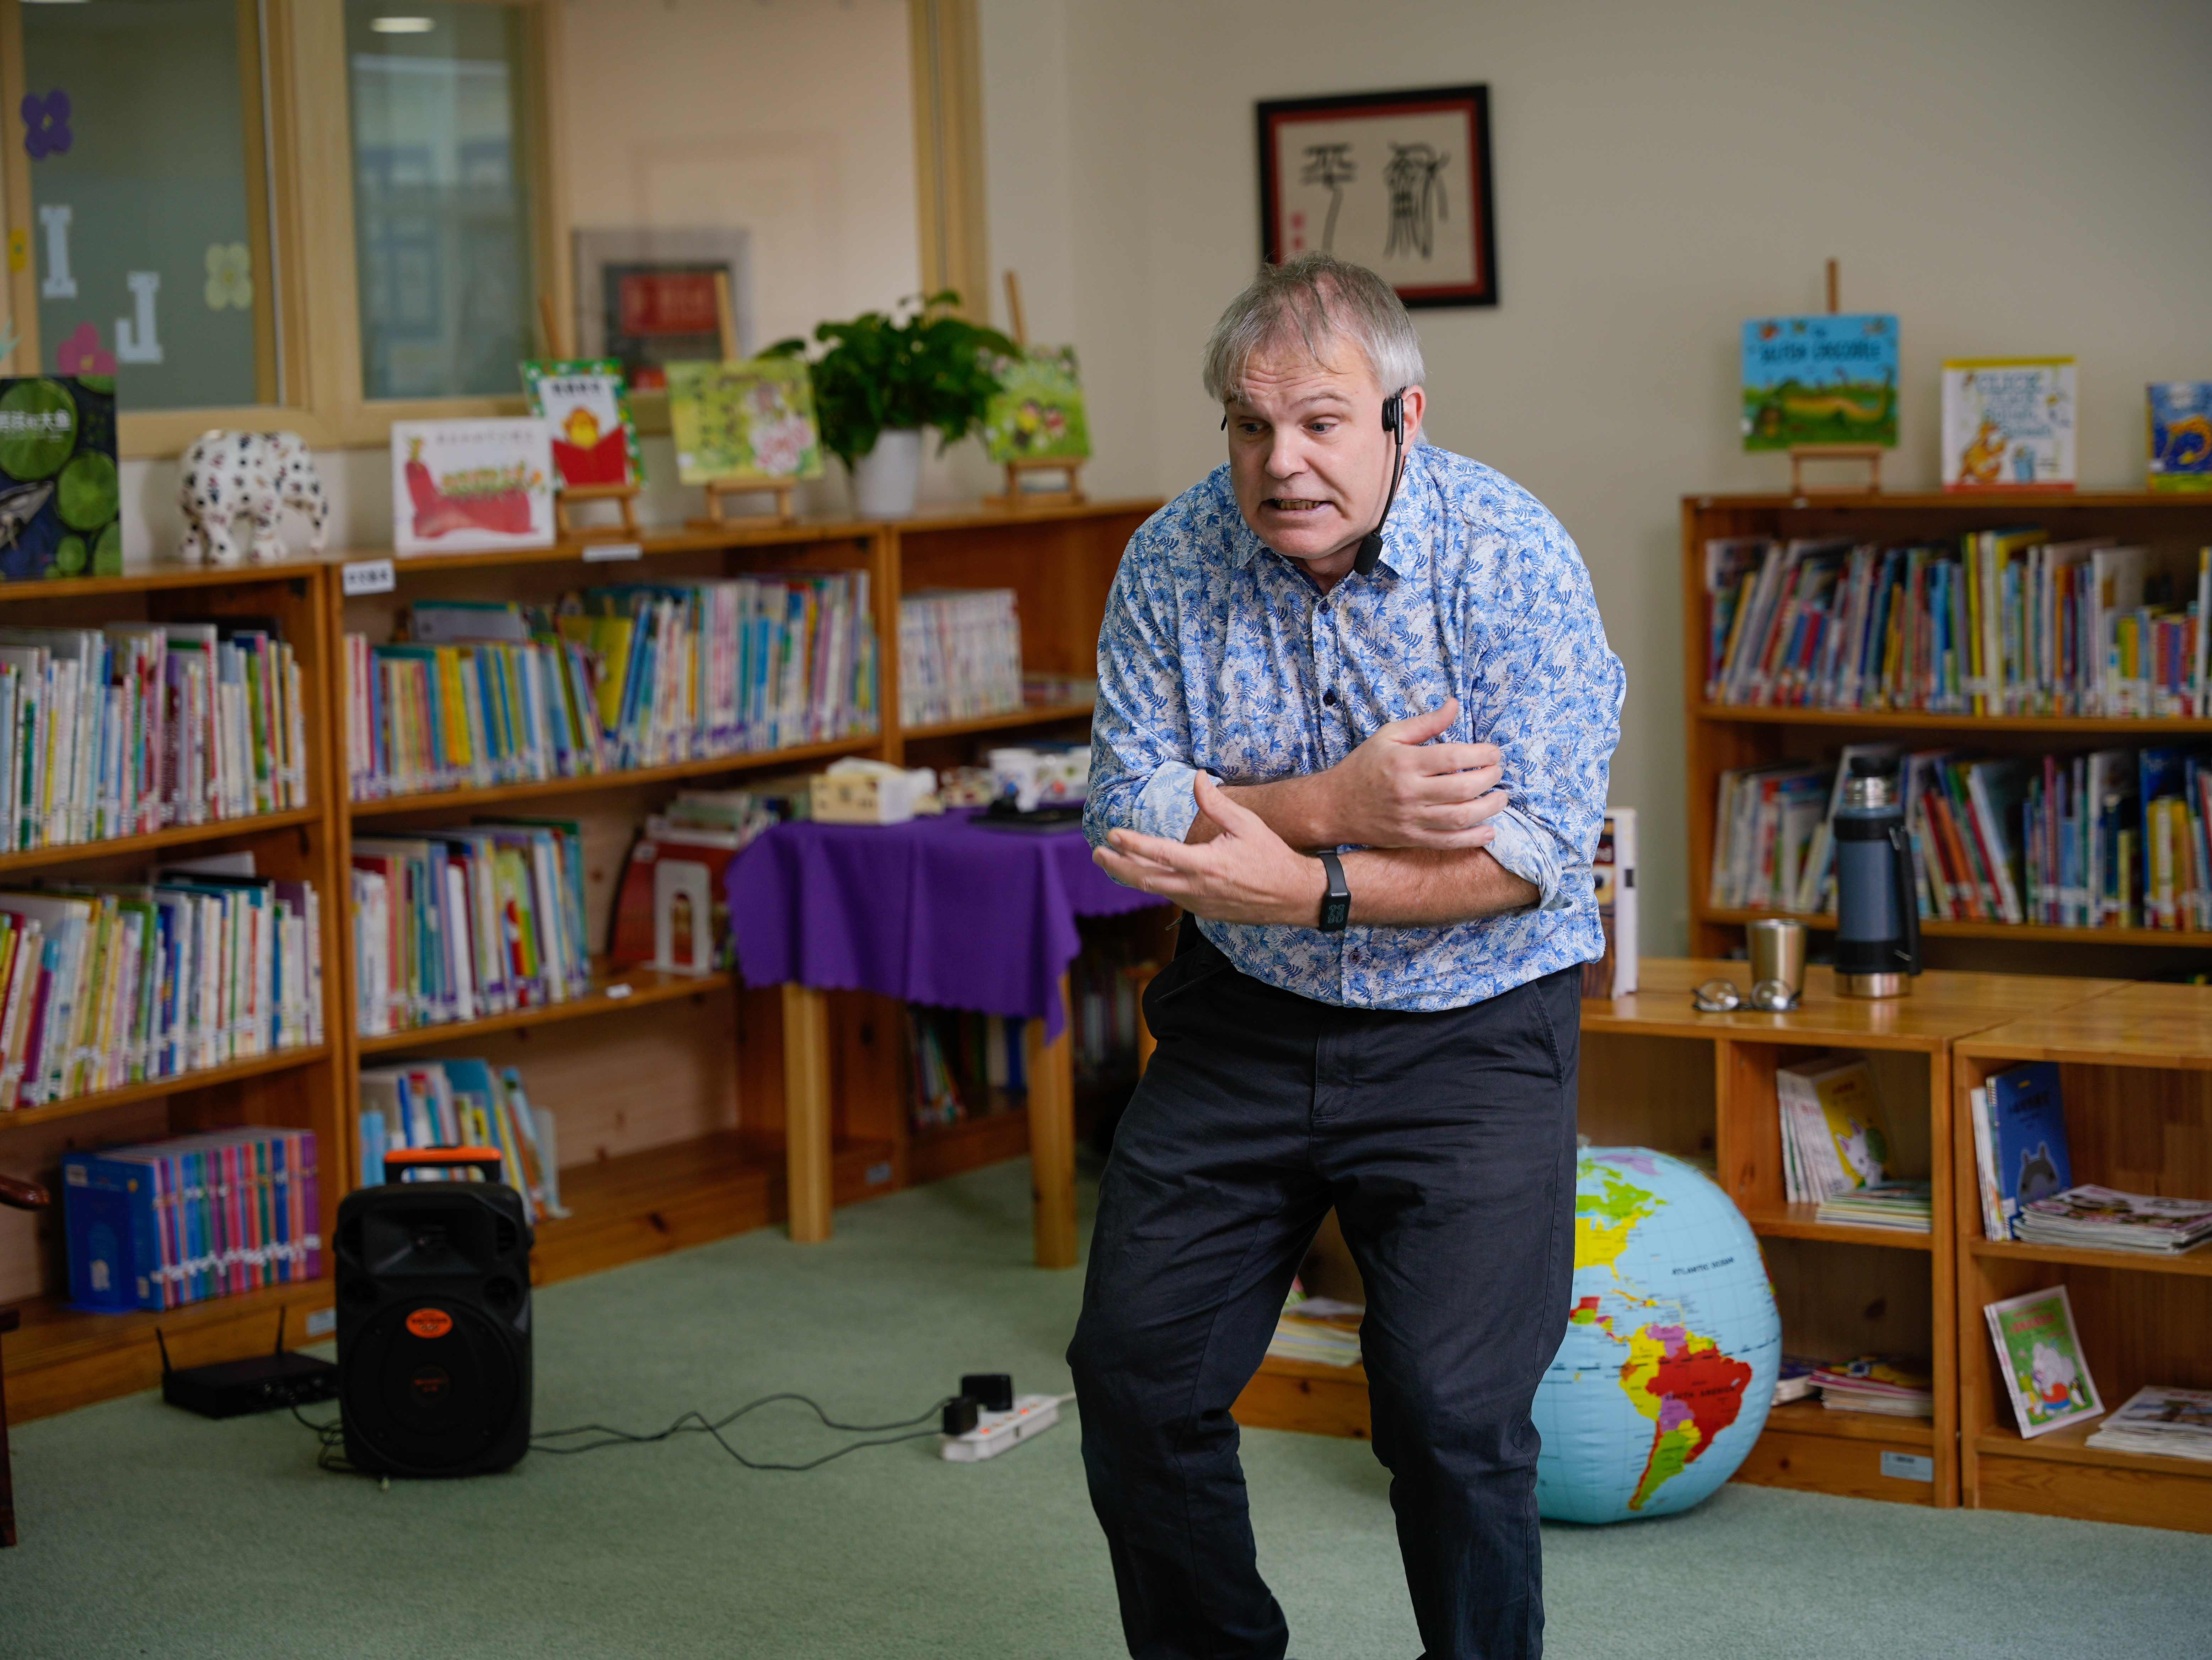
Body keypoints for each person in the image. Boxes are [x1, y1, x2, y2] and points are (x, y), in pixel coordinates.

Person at [1071, 252, 1624, 1660]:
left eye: (1320, 423)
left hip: (1474, 1025)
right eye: (1248, 427)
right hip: (1241, 1015)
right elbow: (1131, 805)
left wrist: (1296, 879)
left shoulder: (1509, 557)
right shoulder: (1171, 557)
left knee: (1448, 1414)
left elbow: (1531, 853)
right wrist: (1339, 807)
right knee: (1135, 1379)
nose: (1280, 462)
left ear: (1402, 416)